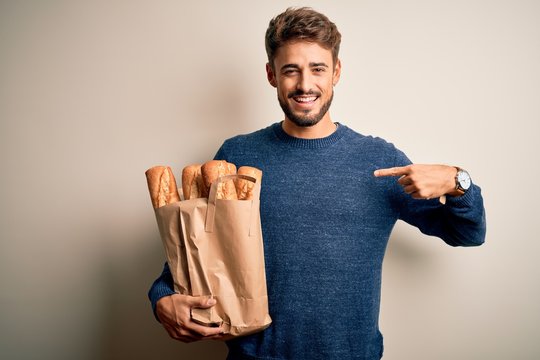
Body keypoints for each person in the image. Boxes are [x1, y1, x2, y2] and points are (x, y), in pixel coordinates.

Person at [148, 7, 486, 360]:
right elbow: (191, 257)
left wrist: (458, 181)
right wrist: (161, 300)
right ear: (271, 74)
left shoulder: (378, 160)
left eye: (318, 69)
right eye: (291, 70)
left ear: (336, 72)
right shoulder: (235, 156)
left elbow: (468, 234)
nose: (305, 84)